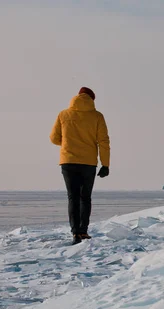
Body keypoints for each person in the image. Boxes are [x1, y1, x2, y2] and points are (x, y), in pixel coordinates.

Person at [50, 87, 111, 245]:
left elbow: (54, 138)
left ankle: (75, 232)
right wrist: (105, 164)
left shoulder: (63, 114)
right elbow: (103, 141)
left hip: (68, 161)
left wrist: (68, 144)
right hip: (88, 163)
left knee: (73, 197)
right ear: (92, 99)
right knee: (85, 197)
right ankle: (83, 231)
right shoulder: (97, 116)